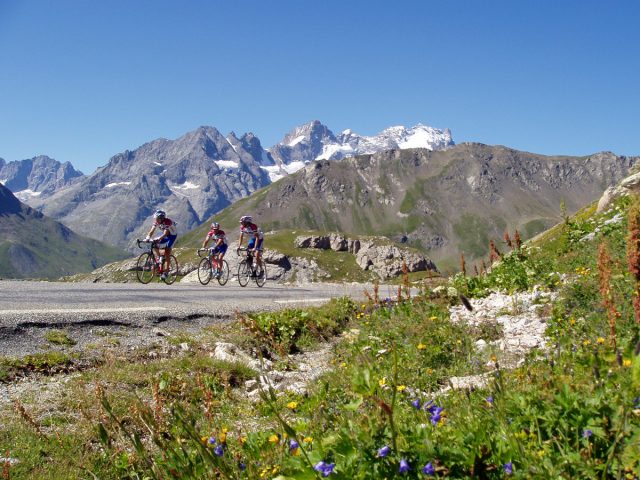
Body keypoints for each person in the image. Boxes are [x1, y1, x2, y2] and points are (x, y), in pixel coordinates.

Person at [145, 210, 178, 280]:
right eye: (155, 219)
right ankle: (159, 257)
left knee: (167, 251)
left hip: (172, 236)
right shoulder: (157, 222)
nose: (156, 220)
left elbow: (165, 233)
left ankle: (166, 272)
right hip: (165, 236)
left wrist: (159, 238)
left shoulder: (167, 221)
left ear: (161, 218)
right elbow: (152, 230)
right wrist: (148, 237)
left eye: (157, 219)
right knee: (154, 244)